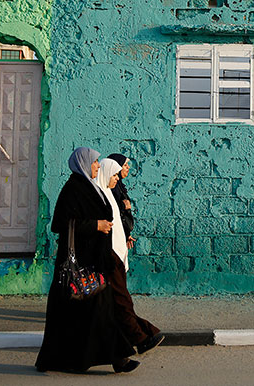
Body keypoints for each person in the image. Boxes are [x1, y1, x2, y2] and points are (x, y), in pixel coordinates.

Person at [35, 147, 139, 373]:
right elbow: (60, 224)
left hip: (94, 260)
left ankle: (113, 359)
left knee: (96, 313)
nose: (98, 166)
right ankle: (116, 359)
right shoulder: (73, 189)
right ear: (83, 164)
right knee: (88, 312)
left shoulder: (90, 186)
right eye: (94, 162)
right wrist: (96, 225)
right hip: (78, 264)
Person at [101, 155, 164, 354]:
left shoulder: (111, 192)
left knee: (118, 302)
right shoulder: (103, 195)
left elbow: (120, 221)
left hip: (118, 252)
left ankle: (139, 338)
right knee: (121, 300)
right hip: (110, 256)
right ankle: (143, 335)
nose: (118, 177)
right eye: (118, 171)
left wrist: (126, 234)